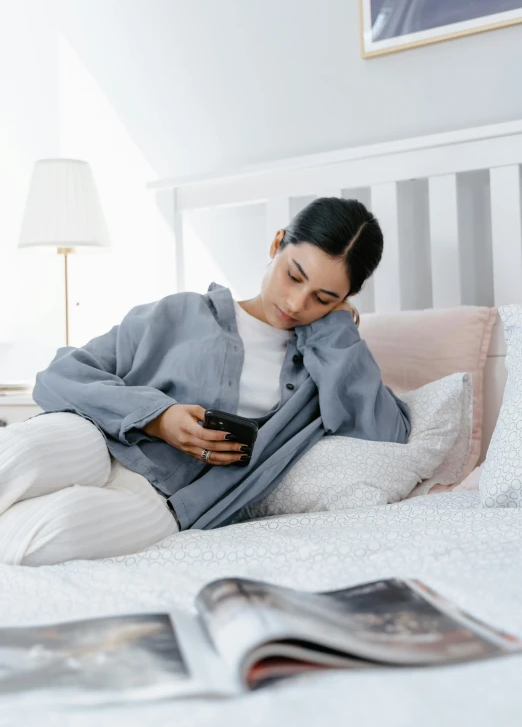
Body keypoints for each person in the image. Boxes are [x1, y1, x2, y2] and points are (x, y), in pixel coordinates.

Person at [0, 198, 410, 566]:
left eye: (323, 298)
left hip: (166, 500)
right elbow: (60, 375)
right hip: (98, 438)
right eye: (293, 275)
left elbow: (382, 436)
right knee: (19, 454)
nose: (295, 303)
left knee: (46, 537)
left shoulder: (319, 376)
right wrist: (157, 417)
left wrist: (335, 326)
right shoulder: (180, 313)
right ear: (276, 245)